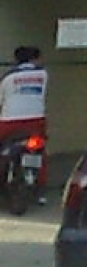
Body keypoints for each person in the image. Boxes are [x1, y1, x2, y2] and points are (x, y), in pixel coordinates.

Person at [0, 45, 49, 195]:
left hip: (9, 122)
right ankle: (41, 184)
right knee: (40, 150)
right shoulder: (43, 74)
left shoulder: (8, 77)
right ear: (35, 58)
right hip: (36, 120)